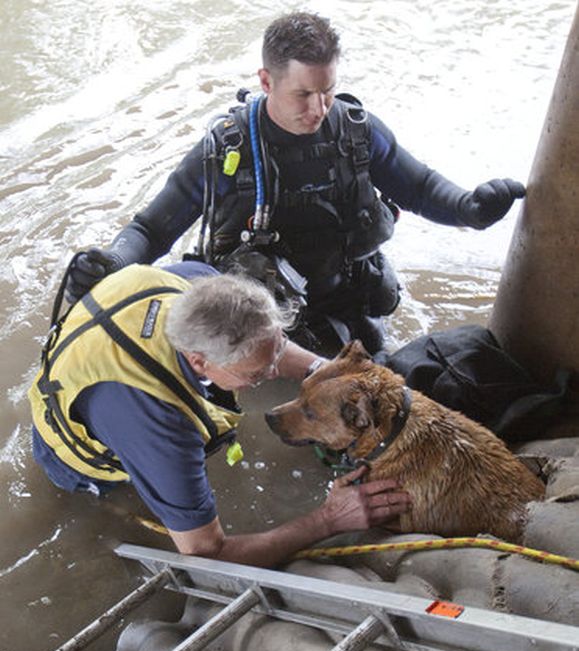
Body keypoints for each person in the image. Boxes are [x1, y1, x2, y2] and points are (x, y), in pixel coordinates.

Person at [64, 11, 525, 353]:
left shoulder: (356, 131)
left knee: (380, 385)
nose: (318, 109)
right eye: (303, 94)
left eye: (327, 91)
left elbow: (420, 188)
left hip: (345, 297)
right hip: (256, 315)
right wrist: (112, 262)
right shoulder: (227, 149)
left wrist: (470, 209)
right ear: (266, 80)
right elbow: (151, 230)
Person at [29, 260, 411, 567]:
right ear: (200, 362)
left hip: (103, 357)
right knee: (138, 507)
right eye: (256, 374)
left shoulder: (203, 287)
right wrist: (329, 520)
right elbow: (204, 551)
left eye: (278, 349)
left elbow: (264, 345)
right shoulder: (158, 425)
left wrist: (330, 375)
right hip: (76, 452)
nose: (273, 373)